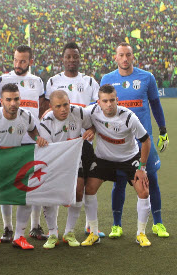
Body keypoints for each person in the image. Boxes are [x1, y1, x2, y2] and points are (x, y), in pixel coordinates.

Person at [100, 42, 169, 238]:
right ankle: (116, 225)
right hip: (120, 143)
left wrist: (163, 129)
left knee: (152, 181)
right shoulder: (107, 79)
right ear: (115, 57)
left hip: (144, 140)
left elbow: (155, 104)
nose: (124, 59)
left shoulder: (147, 77)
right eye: (121, 55)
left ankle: (158, 223)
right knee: (119, 182)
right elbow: (99, 107)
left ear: (133, 57)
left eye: (128, 55)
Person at [45, 42, 105, 238]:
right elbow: (46, 111)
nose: (72, 60)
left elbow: (98, 112)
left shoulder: (89, 82)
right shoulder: (53, 81)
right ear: (63, 59)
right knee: (52, 188)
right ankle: (47, 229)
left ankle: (89, 226)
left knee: (85, 187)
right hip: (60, 146)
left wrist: (93, 129)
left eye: (75, 56)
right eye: (68, 56)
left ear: (80, 58)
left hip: (81, 144)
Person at [0, 83, 47, 250]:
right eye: (8, 100)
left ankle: (19, 236)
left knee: (25, 197)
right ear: (1, 101)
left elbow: (32, 130)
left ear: (20, 99)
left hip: (16, 161)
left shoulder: (26, 116)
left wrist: (37, 137)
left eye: (16, 99)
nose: (13, 103)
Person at [83, 84, 152, 247]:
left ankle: (141, 234)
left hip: (129, 158)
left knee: (143, 190)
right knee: (89, 189)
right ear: (98, 102)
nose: (109, 104)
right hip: (103, 158)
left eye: (112, 100)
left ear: (117, 100)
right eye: (105, 101)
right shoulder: (92, 111)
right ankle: (93, 232)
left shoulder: (129, 117)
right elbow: (73, 111)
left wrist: (142, 168)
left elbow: (146, 141)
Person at [0, 45, 46, 244]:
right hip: (9, 140)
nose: (18, 64)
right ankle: (7, 227)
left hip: (32, 139)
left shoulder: (37, 81)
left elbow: (43, 108)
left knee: (33, 183)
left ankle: (34, 226)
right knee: (7, 184)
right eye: (15, 60)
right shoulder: (3, 80)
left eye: (23, 61)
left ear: (30, 61)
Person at [38, 90, 95, 249]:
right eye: (58, 106)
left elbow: (92, 125)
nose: (63, 109)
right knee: (50, 195)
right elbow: (49, 151)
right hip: (54, 162)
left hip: (75, 160)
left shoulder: (79, 113)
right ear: (51, 107)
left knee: (78, 191)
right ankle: (53, 233)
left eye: (66, 104)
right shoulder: (46, 122)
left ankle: (69, 232)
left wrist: (92, 131)